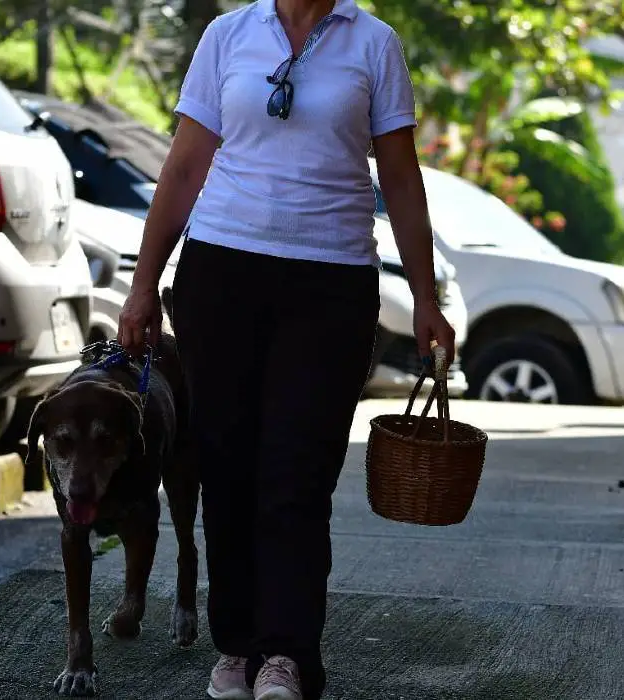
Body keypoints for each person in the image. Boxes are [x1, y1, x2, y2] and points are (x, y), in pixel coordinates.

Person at [117, 0, 456, 697]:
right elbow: (184, 167)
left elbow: (399, 177)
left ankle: (287, 655)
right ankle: (236, 648)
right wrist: (142, 284)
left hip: (331, 283)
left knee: (297, 474)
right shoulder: (228, 35)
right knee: (228, 465)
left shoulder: (374, 43)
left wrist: (425, 295)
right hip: (221, 273)